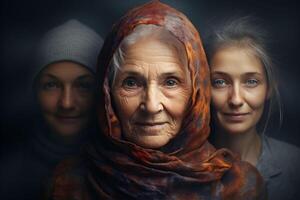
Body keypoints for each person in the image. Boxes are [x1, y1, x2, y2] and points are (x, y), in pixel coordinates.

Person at [47, 2, 266, 200]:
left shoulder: (239, 188)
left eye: (170, 82)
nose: (151, 106)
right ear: (107, 92)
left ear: (197, 92)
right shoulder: (68, 184)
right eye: (131, 83)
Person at [0, 19, 103, 200]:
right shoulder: (8, 177)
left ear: (104, 92)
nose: (67, 103)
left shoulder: (130, 174)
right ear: (35, 90)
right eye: (51, 85)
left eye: (84, 86)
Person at [205, 17, 300, 200]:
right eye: (220, 82)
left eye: (251, 82)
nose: (236, 100)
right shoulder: (177, 171)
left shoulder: (295, 166)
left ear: (269, 87)